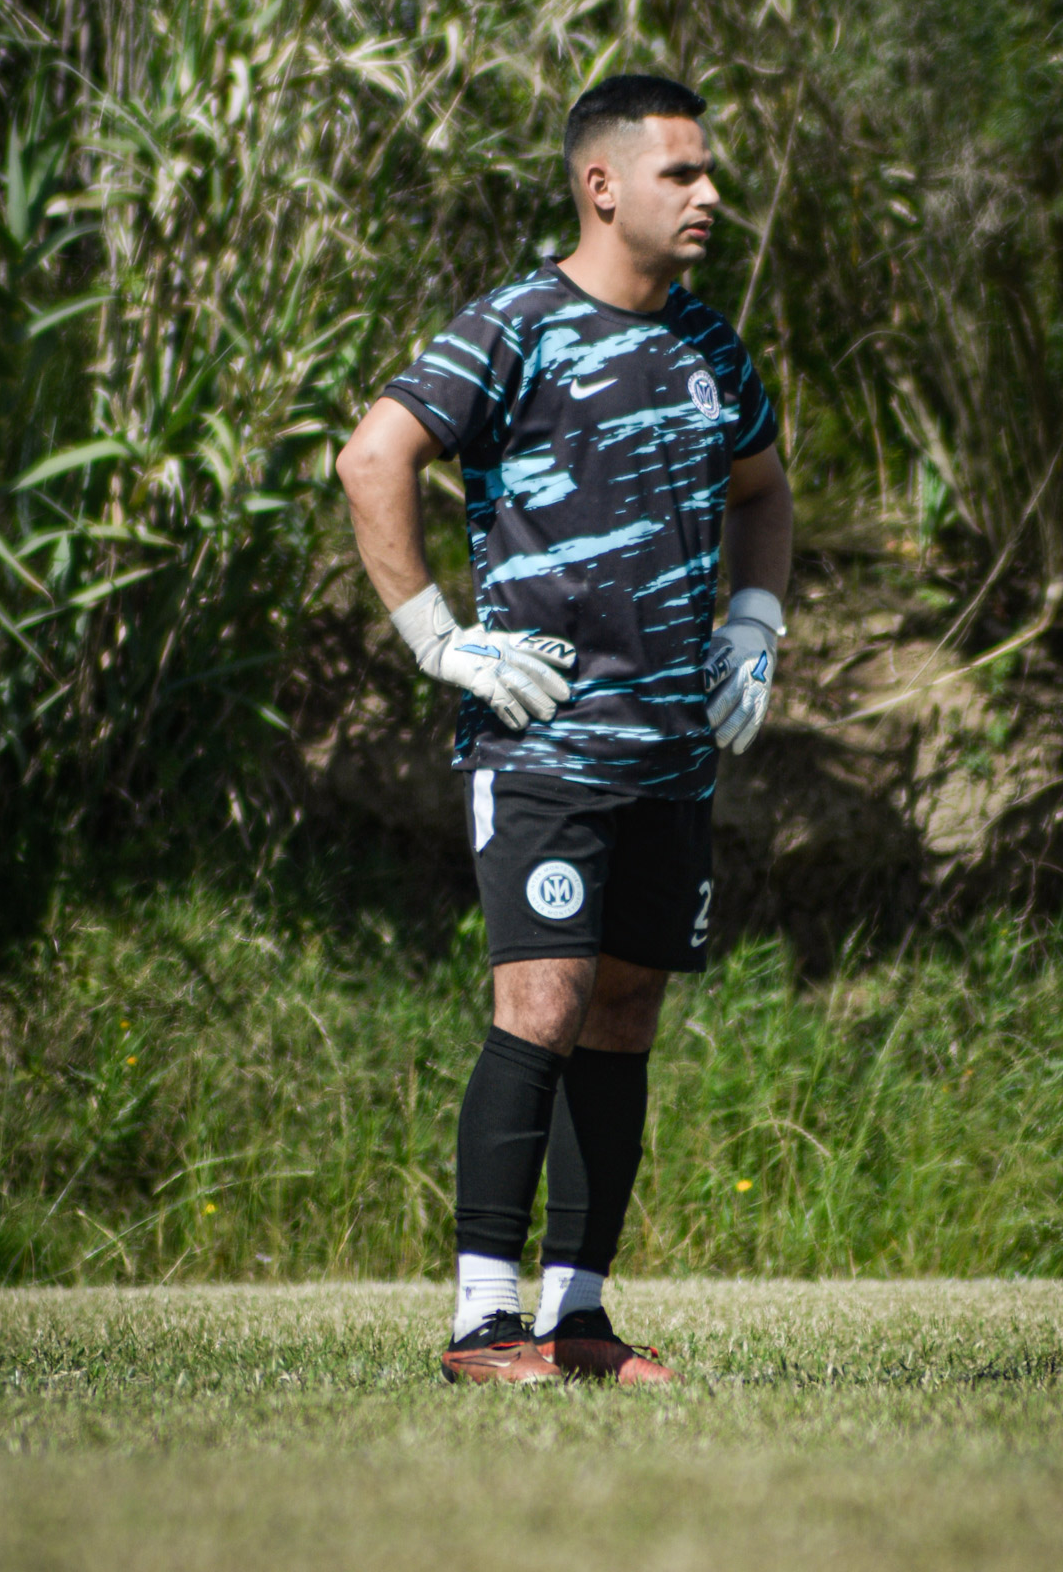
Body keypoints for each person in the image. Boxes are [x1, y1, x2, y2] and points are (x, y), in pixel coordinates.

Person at [337, 73, 793, 1384]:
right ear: (602, 186)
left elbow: (765, 492)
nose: (708, 195)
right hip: (542, 749)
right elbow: (373, 458)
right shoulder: (514, 326)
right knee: (540, 1006)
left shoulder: (709, 347)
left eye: (709, 172)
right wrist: (438, 638)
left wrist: (755, 622)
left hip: (673, 755)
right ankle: (483, 1324)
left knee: (625, 1015)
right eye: (681, 173)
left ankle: (576, 1320)